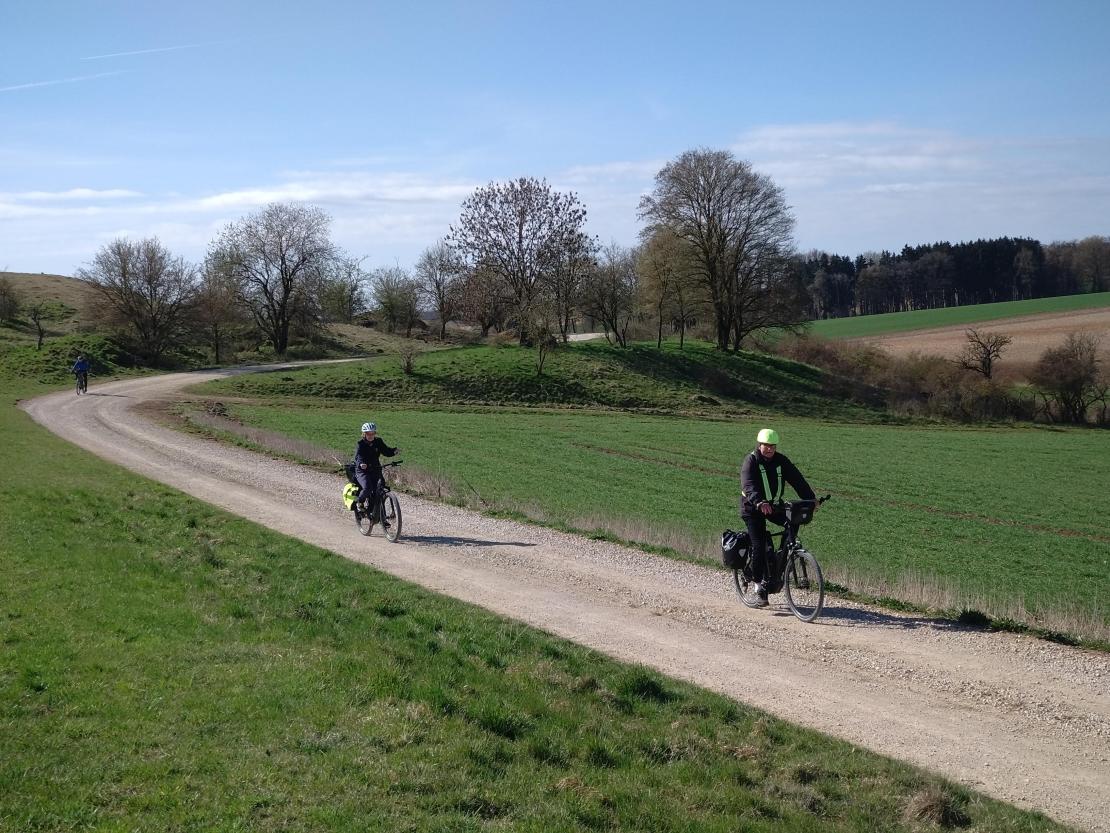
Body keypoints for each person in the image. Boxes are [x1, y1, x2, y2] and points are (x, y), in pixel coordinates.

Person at [739, 428, 816, 607]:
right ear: (760, 445)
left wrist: (810, 499)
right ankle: (759, 587)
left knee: (793, 520)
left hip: (773, 506)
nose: (770, 450)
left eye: (773, 446)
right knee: (758, 545)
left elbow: (797, 479)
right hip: (752, 508)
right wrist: (759, 502)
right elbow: (748, 484)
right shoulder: (750, 461)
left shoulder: (781, 461)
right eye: (766, 446)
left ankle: (779, 561)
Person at [353, 422, 398, 516]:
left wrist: (394, 451)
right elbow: (358, 457)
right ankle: (359, 502)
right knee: (367, 487)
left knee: (380, 488)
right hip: (362, 471)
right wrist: (361, 464)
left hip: (375, 468)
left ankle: (378, 515)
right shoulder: (360, 444)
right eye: (368, 433)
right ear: (364, 434)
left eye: (372, 433)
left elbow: (386, 451)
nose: (370, 435)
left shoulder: (378, 441)